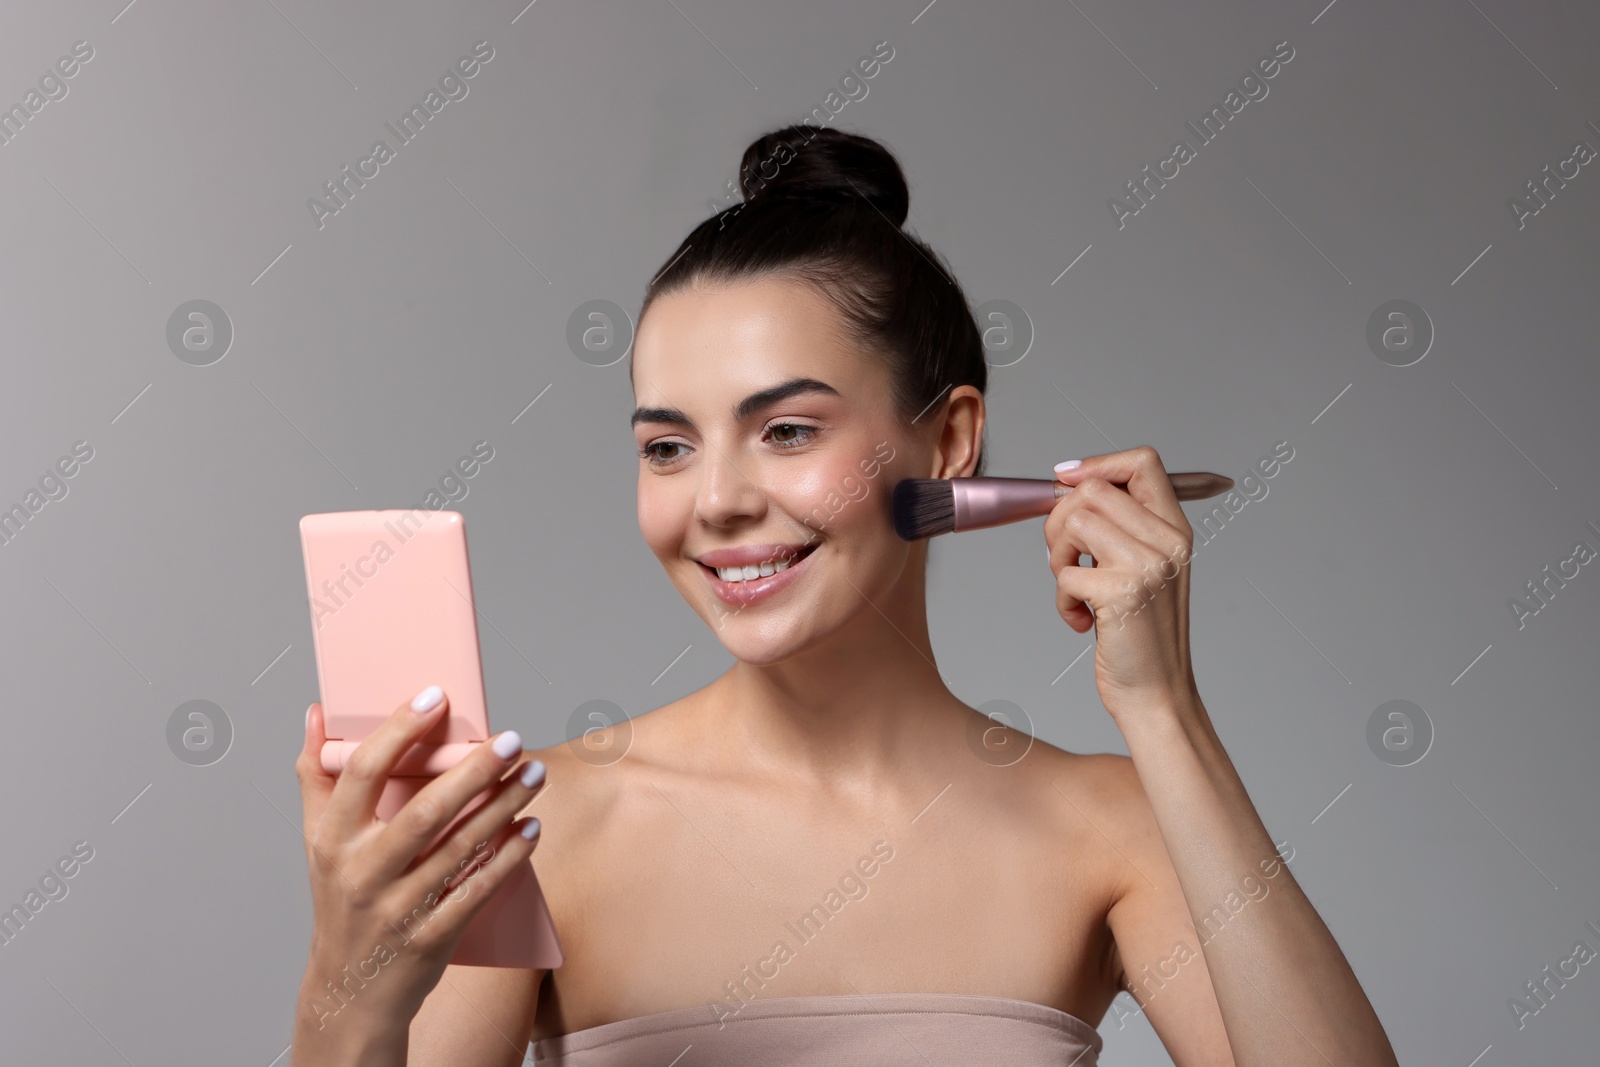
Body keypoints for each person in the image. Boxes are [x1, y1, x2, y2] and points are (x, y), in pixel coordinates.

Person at [290, 125, 1399, 1066]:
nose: (716, 500)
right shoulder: (543, 832)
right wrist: (352, 975)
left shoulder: (1106, 828)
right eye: (668, 445)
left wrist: (1165, 709)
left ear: (952, 440)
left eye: (786, 430)